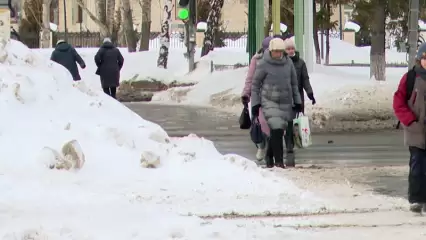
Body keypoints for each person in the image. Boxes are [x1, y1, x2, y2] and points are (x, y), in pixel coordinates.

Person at [251, 38, 302, 168]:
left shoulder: (288, 63)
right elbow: (255, 85)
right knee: (277, 128)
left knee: (278, 131)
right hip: (269, 101)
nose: (278, 54)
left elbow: (294, 84)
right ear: (271, 50)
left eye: (281, 52)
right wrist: (255, 104)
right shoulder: (263, 63)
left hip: (285, 101)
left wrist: (297, 101)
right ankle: (279, 162)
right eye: (276, 52)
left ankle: (269, 155)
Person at [393, 43, 426, 213]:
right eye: (425, 57)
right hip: (415, 131)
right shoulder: (410, 78)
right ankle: (416, 199)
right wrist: (411, 121)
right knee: (417, 166)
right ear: (419, 59)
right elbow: (398, 103)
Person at [283, 38, 315, 160]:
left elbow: (305, 80)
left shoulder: (300, 63)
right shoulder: (283, 63)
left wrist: (310, 93)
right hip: (285, 97)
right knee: (287, 122)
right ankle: (289, 144)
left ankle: (293, 142)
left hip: (297, 98)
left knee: (294, 122)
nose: (291, 51)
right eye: (288, 48)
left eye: (292, 48)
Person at [241, 36, 273, 161]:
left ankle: (272, 148)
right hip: (258, 97)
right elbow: (250, 79)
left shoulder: (279, 59)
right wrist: (246, 94)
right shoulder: (257, 59)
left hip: (274, 96)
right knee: (260, 124)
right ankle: (261, 146)